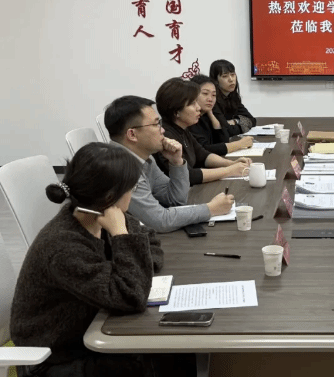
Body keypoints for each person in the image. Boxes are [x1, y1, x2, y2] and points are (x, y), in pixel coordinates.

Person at [10, 142, 196, 376]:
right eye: (131, 187)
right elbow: (131, 296)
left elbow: (151, 243)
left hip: (86, 329)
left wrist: (134, 263)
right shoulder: (63, 246)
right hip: (53, 358)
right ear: (111, 196)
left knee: (176, 350)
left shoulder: (99, 213)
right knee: (158, 359)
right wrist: (121, 237)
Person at [105, 95, 234, 233]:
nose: (162, 130)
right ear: (132, 135)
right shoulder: (120, 168)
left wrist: (176, 162)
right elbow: (159, 221)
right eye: (155, 124)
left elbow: (176, 200)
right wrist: (211, 209)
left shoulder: (144, 158)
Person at [154, 77, 250, 186]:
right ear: (176, 111)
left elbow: (203, 155)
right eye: (192, 104)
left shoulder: (182, 129)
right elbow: (188, 175)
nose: (198, 107)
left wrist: (231, 163)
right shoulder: (165, 135)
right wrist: (229, 171)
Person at [188, 74, 254, 156]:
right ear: (192, 94)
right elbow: (203, 149)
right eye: (205, 93)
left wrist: (211, 115)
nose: (210, 99)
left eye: (214, 95)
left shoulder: (207, 114)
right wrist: (239, 144)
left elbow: (224, 140)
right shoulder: (190, 119)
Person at [209, 59, 256, 135]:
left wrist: (235, 121)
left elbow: (252, 120)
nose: (231, 79)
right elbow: (227, 130)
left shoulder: (232, 96)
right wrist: (242, 124)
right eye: (225, 76)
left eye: (233, 75)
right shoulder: (212, 100)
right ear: (215, 80)